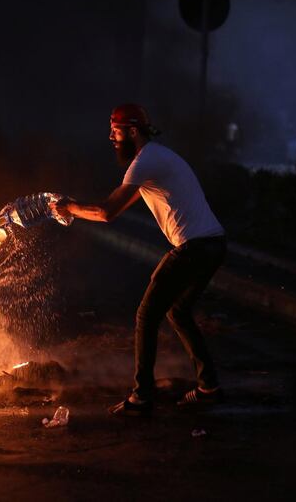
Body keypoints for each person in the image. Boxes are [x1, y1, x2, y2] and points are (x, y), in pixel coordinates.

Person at [51, 103, 226, 416]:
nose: (111, 138)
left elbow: (106, 212)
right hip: (214, 243)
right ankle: (208, 387)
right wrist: (77, 209)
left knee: (147, 315)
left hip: (195, 246)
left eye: (116, 131)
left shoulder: (145, 161)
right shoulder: (156, 158)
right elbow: (117, 207)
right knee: (179, 311)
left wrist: (70, 207)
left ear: (133, 131)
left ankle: (142, 396)